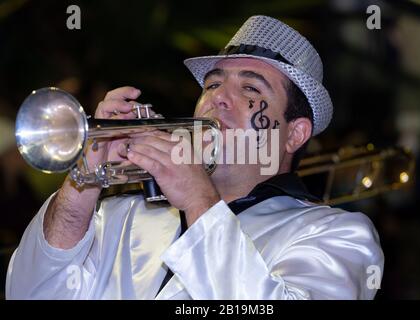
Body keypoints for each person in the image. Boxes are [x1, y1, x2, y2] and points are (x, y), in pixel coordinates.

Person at [6, 15, 384, 299]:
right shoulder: (121, 216)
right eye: (213, 83)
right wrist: (84, 179)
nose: (218, 97)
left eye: (250, 87)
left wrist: (198, 200)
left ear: (295, 133)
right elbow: (29, 292)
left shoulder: (337, 236)